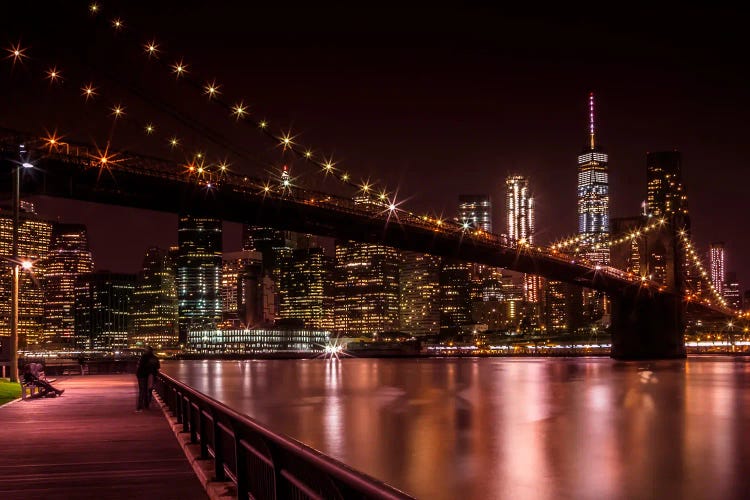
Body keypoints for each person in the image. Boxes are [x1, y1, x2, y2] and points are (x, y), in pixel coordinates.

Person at [136, 346, 160, 412]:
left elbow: (140, 366)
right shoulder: (155, 358)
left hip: (142, 375)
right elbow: (157, 367)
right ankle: (146, 404)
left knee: (142, 390)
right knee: (149, 390)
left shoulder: (143, 357)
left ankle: (140, 407)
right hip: (150, 376)